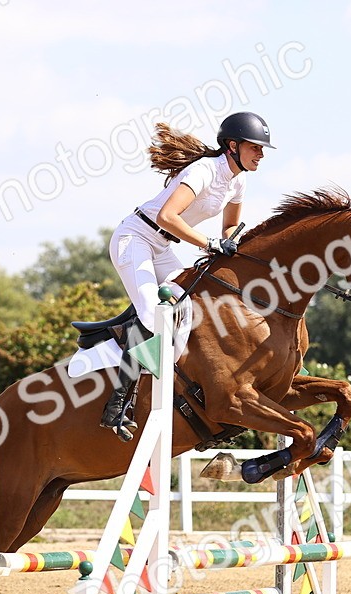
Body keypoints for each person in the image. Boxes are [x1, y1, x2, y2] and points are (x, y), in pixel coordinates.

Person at [100, 111, 275, 442]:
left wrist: (236, 245)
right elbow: (167, 216)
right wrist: (209, 243)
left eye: (262, 149)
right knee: (153, 314)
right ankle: (117, 405)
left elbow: (228, 227)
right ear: (233, 146)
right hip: (135, 239)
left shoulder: (238, 181)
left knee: (193, 306)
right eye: (255, 147)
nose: (261, 154)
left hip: (162, 246)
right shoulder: (204, 170)